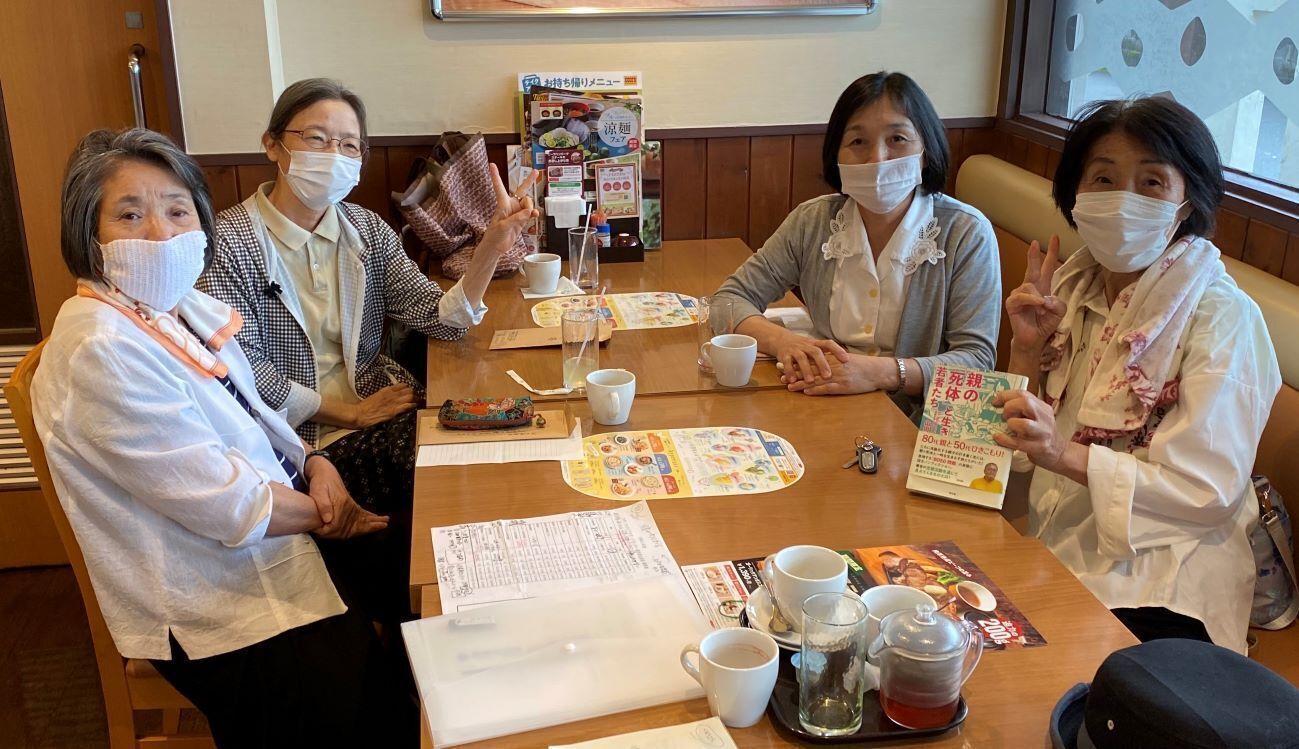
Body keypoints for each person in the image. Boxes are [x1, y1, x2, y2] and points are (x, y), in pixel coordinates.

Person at [30, 128, 416, 747]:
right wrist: (327, 514)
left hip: (279, 527)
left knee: (418, 568)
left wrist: (315, 463)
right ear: (88, 237)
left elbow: (257, 413)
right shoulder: (99, 349)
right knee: (370, 700)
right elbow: (230, 505)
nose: (162, 234)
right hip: (218, 597)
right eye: (130, 214)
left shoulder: (177, 308)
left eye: (178, 211)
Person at [198, 78, 536, 625]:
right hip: (296, 442)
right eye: (316, 138)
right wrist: (348, 414)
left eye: (349, 145)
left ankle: (463, 615)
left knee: (483, 446)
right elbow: (240, 372)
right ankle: (426, 627)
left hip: (379, 412)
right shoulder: (228, 243)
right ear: (272, 145)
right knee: (433, 481)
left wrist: (493, 245)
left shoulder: (365, 231)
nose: (334, 155)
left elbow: (438, 318)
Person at [994, 97, 1281, 651]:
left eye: (1151, 183)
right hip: (1056, 540)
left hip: (1165, 580)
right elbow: (1016, 449)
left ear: (1187, 202)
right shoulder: (1070, 291)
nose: (1124, 199)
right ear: (1075, 194)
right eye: (1104, 179)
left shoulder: (1222, 317)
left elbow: (1205, 492)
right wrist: (1025, 352)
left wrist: (1061, 453)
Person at [712, 71, 1000, 416]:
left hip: (917, 425)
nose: (878, 158)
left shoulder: (966, 232)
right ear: (837, 155)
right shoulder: (813, 220)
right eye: (858, 142)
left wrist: (881, 373)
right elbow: (728, 301)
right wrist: (786, 342)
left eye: (897, 138)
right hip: (819, 403)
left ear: (925, 151)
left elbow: (977, 362)